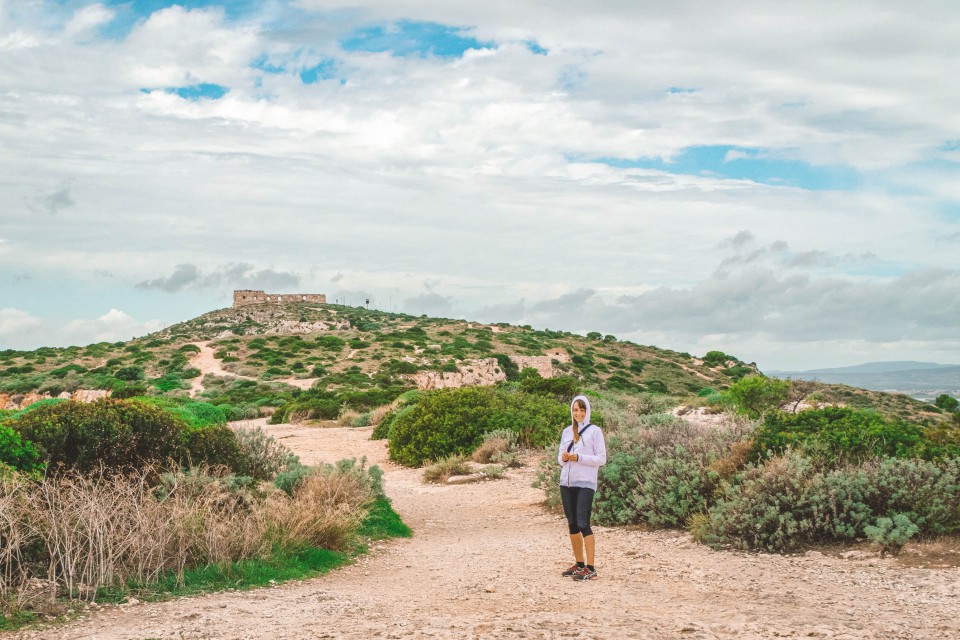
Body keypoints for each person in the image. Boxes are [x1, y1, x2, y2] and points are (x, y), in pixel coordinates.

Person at [558, 395, 606, 581]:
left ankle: (591, 567)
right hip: (567, 482)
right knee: (572, 523)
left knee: (583, 523)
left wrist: (580, 458)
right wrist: (564, 457)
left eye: (582, 409)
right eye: (575, 410)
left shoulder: (595, 431)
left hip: (585, 483)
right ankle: (579, 564)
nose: (578, 413)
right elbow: (559, 460)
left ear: (587, 411)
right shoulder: (566, 432)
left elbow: (601, 459)